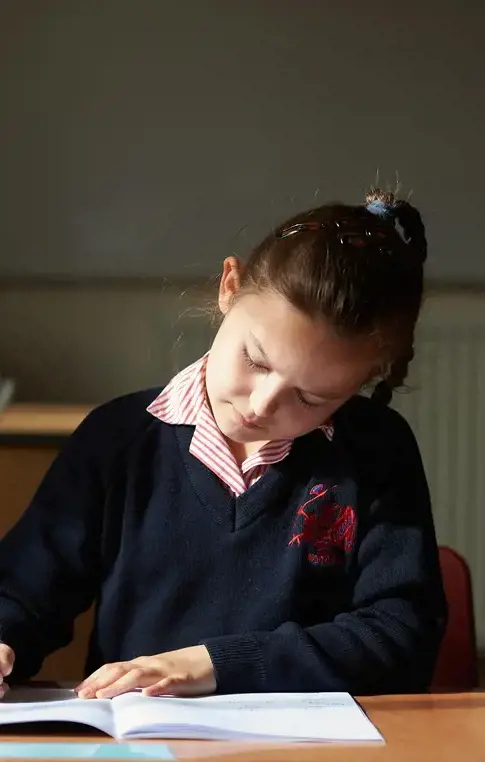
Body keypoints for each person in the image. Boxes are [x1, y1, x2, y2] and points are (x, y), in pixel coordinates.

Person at [0, 189, 447, 701]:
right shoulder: (118, 439)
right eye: (255, 361)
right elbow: (24, 588)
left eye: (311, 397)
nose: (262, 405)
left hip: (309, 760)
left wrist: (218, 664)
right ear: (229, 287)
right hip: (137, 755)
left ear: (365, 380)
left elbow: (401, 635)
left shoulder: (374, 452)